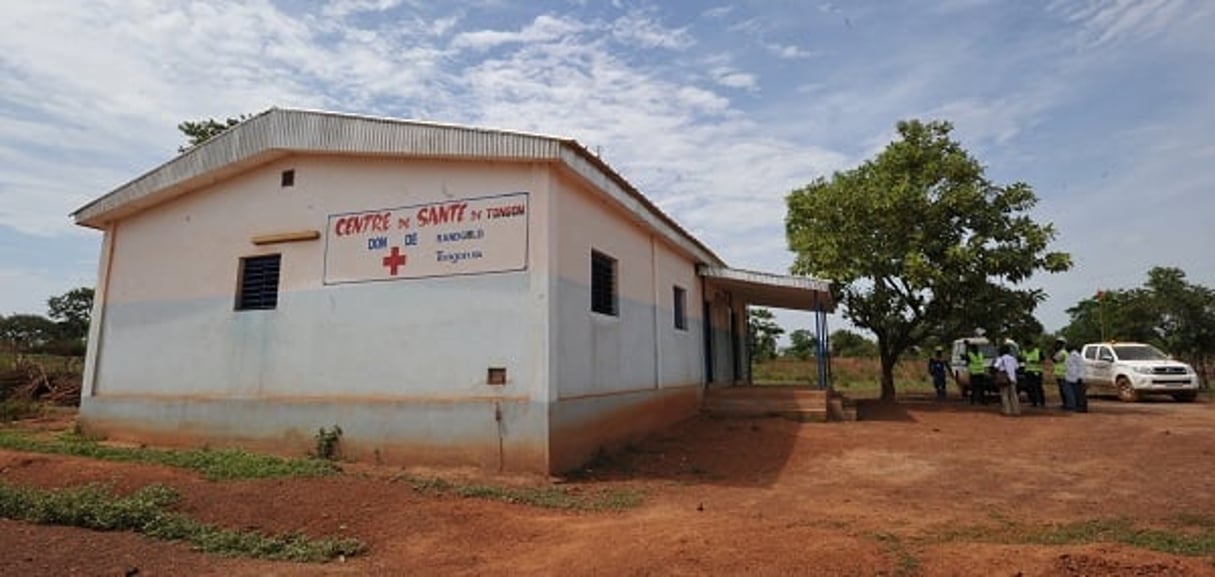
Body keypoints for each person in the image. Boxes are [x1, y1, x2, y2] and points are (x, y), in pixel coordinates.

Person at [993, 344, 1021, 416]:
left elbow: (996, 366)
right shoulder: (1013, 358)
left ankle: (1007, 411)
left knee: (1005, 395)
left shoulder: (1001, 359)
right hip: (1013, 378)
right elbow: (1017, 367)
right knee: (1014, 395)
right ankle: (1016, 410)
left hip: (1004, 379)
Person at [1065, 342, 1087, 412]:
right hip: (1071, 377)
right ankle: (1075, 406)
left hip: (1076, 378)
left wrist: (1080, 377)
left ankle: (1081, 407)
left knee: (1079, 394)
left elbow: (1081, 366)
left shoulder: (1076, 355)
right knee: (1074, 393)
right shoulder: (1070, 355)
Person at [1023, 341, 1045, 407]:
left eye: (1029, 346)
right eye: (1026, 346)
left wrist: (1034, 361)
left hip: (1037, 372)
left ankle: (1041, 402)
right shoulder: (1024, 352)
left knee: (1038, 387)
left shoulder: (1038, 351)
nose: (1028, 348)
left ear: (1032, 345)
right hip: (1028, 372)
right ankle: (1033, 402)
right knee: (1030, 388)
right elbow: (1022, 359)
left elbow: (1042, 360)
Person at [1052, 338, 1069, 409]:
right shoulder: (1060, 352)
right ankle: (1065, 404)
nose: (1057, 345)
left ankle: (1067, 404)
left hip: (1063, 374)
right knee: (1062, 390)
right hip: (1060, 374)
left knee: (1064, 390)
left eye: (1059, 343)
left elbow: (1055, 359)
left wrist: (1053, 352)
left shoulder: (1062, 352)